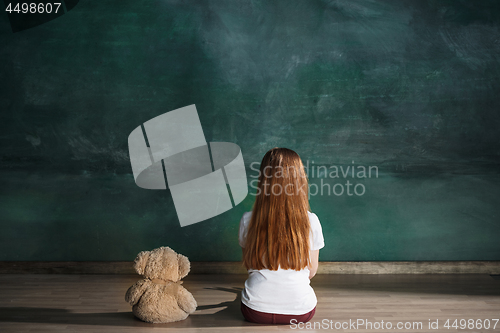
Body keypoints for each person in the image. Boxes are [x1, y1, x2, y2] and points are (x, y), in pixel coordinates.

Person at [238, 147, 325, 325]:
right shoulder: (312, 221)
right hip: (301, 313)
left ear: (263, 180)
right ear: (299, 179)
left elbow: (249, 263)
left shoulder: (248, 220)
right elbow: (311, 271)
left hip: (254, 312)